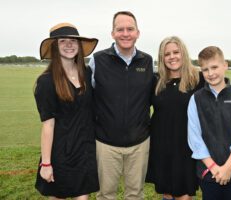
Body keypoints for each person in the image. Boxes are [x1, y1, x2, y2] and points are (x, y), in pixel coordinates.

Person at [88, 11, 153, 200]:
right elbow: (83, 94)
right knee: (106, 195)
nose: (126, 33)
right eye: (120, 29)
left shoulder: (147, 61)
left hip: (139, 143)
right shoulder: (98, 60)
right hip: (106, 143)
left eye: (130, 29)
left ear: (138, 33)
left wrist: (222, 87)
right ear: (113, 33)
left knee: (135, 194)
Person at [34, 22, 99, 199]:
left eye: (73, 40)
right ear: (55, 46)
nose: (69, 44)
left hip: (85, 151)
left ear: (79, 45)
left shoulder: (86, 74)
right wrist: (46, 164)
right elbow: (48, 125)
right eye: (62, 41)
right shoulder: (46, 82)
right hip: (60, 154)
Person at [187, 46, 231, 200]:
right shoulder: (196, 99)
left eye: (214, 67)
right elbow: (194, 138)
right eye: (205, 69)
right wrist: (214, 168)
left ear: (225, 65)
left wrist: (228, 167)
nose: (210, 73)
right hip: (209, 173)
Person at [146, 36, 204, 200]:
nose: (172, 57)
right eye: (167, 54)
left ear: (183, 53)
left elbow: (222, 94)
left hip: (185, 147)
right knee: (167, 191)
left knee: (183, 194)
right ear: (162, 58)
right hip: (161, 145)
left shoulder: (198, 79)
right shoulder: (157, 81)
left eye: (176, 52)